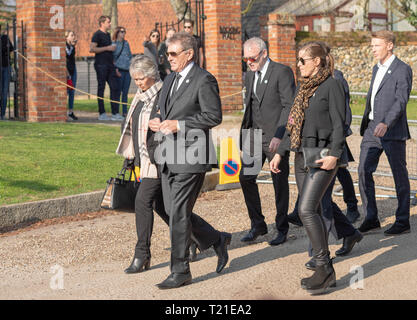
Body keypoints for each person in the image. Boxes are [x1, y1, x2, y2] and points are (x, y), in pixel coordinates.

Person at [115, 54, 223, 274]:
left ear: (152, 76)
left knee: (143, 201)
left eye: (141, 79)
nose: (138, 83)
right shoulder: (140, 97)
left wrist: (155, 152)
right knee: (166, 208)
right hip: (144, 159)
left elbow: (168, 124)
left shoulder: (163, 92)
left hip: (160, 158)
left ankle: (142, 254)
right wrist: (131, 156)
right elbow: (134, 127)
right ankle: (206, 237)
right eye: (135, 79)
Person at [149, 31, 231, 289]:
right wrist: (157, 121)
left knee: (179, 214)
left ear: (189, 54)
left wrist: (180, 125)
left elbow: (213, 116)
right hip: (167, 155)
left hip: (191, 155)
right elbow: (162, 110)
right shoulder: (169, 79)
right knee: (174, 212)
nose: (168, 58)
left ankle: (181, 270)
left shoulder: (204, 80)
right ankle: (217, 240)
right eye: (166, 53)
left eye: (173, 53)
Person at [270, 41, 347, 295]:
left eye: (303, 60)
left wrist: (335, 155)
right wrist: (280, 153)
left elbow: (340, 123)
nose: (299, 64)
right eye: (298, 60)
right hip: (301, 156)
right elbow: (292, 124)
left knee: (304, 210)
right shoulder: (302, 89)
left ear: (317, 61)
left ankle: (325, 268)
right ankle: (323, 268)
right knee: (309, 210)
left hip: (323, 155)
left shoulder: (331, 85)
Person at [239, 37, 295, 246]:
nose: (249, 62)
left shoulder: (282, 72)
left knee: (279, 182)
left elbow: (288, 106)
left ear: (264, 53)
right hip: (253, 136)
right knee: (246, 177)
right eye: (245, 59)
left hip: (275, 136)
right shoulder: (250, 75)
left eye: (252, 58)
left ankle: (281, 228)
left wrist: (280, 137)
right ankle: (258, 224)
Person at [358, 30, 413, 235]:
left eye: (377, 45)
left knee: (399, 176)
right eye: (372, 45)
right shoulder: (376, 68)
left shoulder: (402, 69)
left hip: (392, 130)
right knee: (363, 170)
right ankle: (371, 217)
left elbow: (401, 100)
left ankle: (402, 220)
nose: (373, 49)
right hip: (372, 129)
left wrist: (387, 123)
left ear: (389, 45)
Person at [90, 15, 123, 121]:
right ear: (102, 23)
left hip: (110, 65)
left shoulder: (108, 35)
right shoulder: (97, 35)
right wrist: (107, 48)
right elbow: (92, 49)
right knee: (101, 88)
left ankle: (115, 113)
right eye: (108, 22)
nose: (110, 24)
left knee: (115, 87)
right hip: (100, 65)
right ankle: (102, 113)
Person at [112, 26, 133, 117]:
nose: (123, 33)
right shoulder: (113, 44)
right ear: (117, 33)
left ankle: (125, 112)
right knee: (117, 92)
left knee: (125, 92)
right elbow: (112, 58)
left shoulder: (126, 43)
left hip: (127, 70)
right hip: (119, 70)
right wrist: (115, 69)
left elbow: (130, 55)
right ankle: (116, 112)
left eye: (124, 31)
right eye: (121, 31)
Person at [1, 30, 14, 120]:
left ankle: (2, 114)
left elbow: (11, 48)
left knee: (5, 91)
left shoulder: (4, 37)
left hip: (6, 66)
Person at [65, 30, 78, 121]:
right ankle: (63, 112)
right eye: (71, 35)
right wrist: (66, 72)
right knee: (65, 91)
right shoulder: (63, 47)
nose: (73, 37)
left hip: (73, 69)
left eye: (74, 35)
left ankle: (70, 111)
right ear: (66, 37)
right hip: (66, 71)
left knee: (72, 91)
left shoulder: (72, 47)